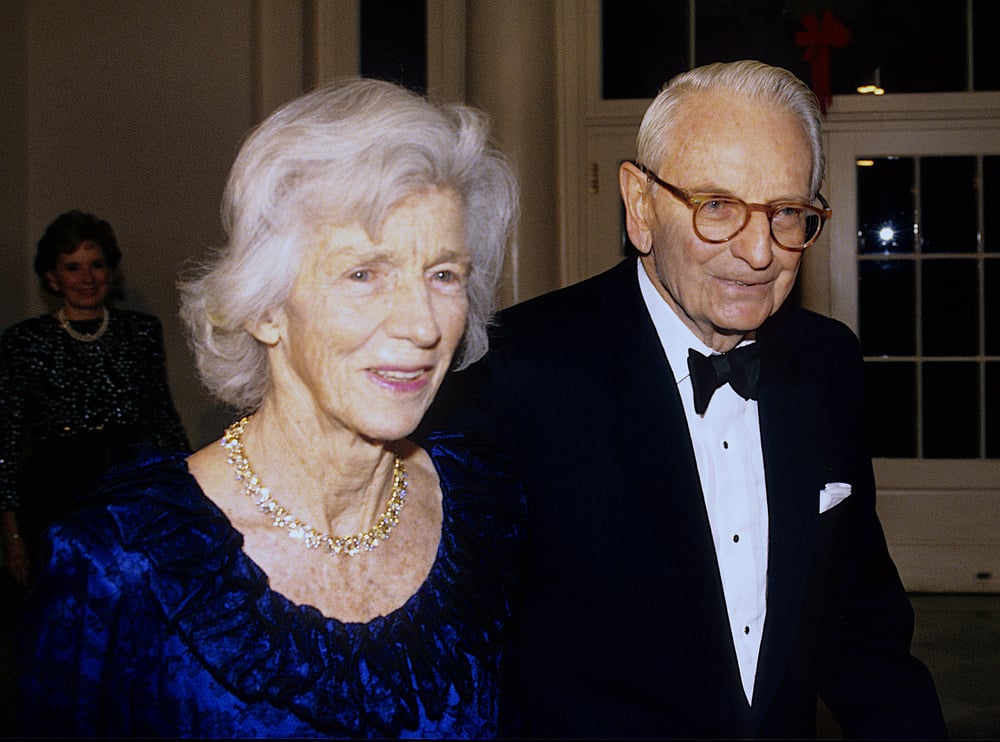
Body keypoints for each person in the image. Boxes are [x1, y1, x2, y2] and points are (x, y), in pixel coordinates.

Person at [420, 60, 947, 738]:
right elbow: (461, 661)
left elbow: (861, 627)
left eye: (787, 212)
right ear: (640, 207)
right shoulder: (511, 374)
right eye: (718, 206)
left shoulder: (827, 362)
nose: (761, 252)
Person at [14, 77, 523, 738]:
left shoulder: (485, 508)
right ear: (265, 307)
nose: (422, 324)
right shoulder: (119, 564)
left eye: (443, 274)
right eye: (364, 273)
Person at [0, 210, 190, 587]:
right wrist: (13, 536)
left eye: (96, 265)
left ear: (111, 271)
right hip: (54, 492)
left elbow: (163, 417)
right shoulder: (24, 341)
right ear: (52, 278)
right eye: (72, 267)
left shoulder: (140, 331)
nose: (87, 278)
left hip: (129, 490)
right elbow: (7, 439)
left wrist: (190, 491)